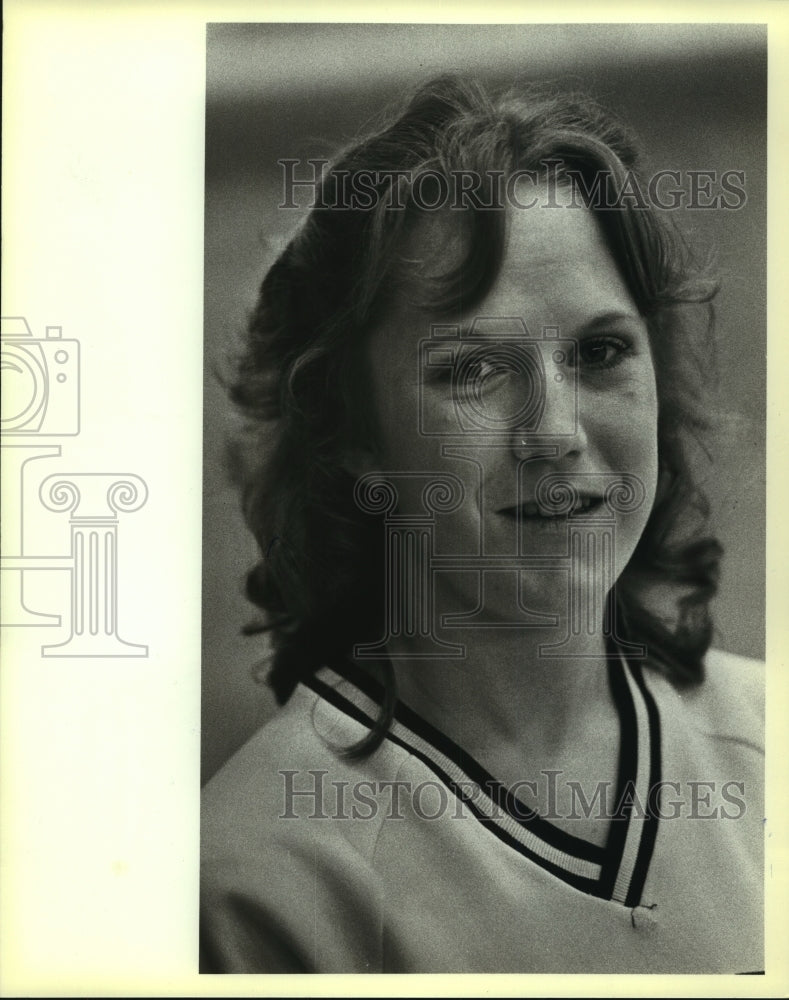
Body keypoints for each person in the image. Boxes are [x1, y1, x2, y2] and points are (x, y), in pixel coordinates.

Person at [200, 75, 763, 974]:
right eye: (471, 370)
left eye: (599, 351)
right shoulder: (255, 884)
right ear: (350, 432)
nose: (554, 432)